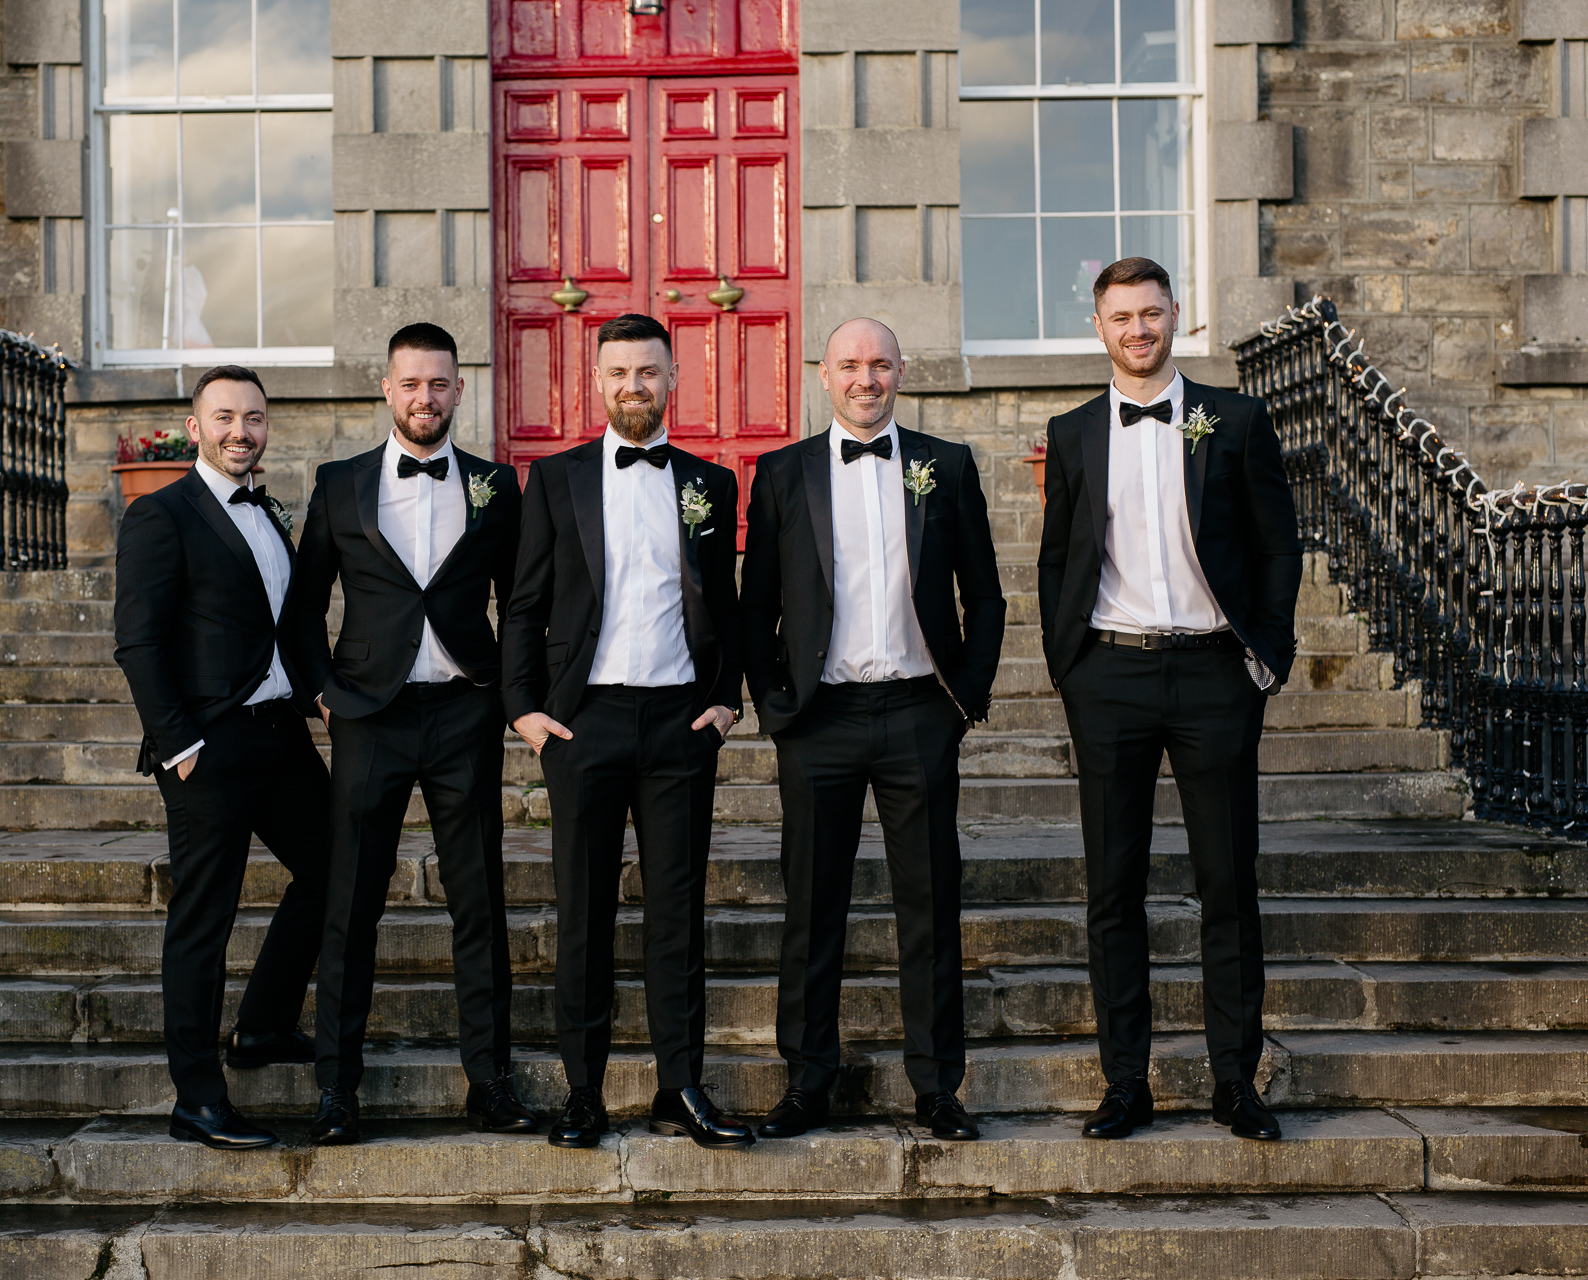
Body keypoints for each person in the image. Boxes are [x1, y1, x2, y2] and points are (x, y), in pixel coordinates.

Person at [1037, 257, 1302, 1143]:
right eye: (1121, 317)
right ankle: (1126, 1083)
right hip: (1108, 677)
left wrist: (1266, 653)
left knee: (1227, 884)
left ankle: (1235, 1081)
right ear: (1100, 327)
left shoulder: (1236, 418)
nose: (1138, 331)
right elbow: (1056, 559)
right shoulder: (1072, 433)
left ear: (1176, 317)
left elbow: (1276, 544)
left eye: (1152, 314)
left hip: (1214, 676)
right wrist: (1069, 665)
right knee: (1112, 888)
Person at [740, 317, 1006, 1143]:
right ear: (824, 374)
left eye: (881, 365)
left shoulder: (946, 465)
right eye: (851, 365)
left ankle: (936, 1086)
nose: (867, 379)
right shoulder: (782, 473)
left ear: (901, 371)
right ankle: (808, 1080)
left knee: (930, 903)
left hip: (918, 713)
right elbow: (756, 607)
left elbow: (986, 597)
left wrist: (964, 700)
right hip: (818, 720)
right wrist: (778, 705)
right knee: (811, 908)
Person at [502, 313, 751, 1150]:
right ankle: (584, 1093)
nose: (633, 386)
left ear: (672, 377)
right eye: (618, 372)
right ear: (596, 380)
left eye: (648, 371)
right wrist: (524, 708)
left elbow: (729, 602)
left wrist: (729, 700)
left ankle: (680, 1087)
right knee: (584, 914)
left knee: (677, 915)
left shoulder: (710, 484)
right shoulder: (557, 479)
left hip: (681, 721)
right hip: (585, 724)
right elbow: (525, 602)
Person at [292, 322, 531, 1146]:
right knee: (350, 904)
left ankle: (489, 1080)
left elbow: (521, 603)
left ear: (460, 390)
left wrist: (509, 692)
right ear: (385, 388)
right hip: (371, 717)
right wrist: (326, 693)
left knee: (480, 902)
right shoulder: (341, 484)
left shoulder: (499, 487)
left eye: (439, 384)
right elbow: (300, 614)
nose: (424, 398)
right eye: (409, 384)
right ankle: (336, 1088)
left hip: (464, 711)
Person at [113, 364, 331, 1151]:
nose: (241, 430)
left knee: (336, 869)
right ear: (195, 427)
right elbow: (137, 640)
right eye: (226, 417)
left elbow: (276, 626)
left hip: (280, 734)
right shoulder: (161, 514)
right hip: (208, 746)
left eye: (254, 418)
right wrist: (178, 746)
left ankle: (265, 1026)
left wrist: (317, 694)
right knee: (204, 918)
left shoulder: (268, 512)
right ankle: (197, 1099)